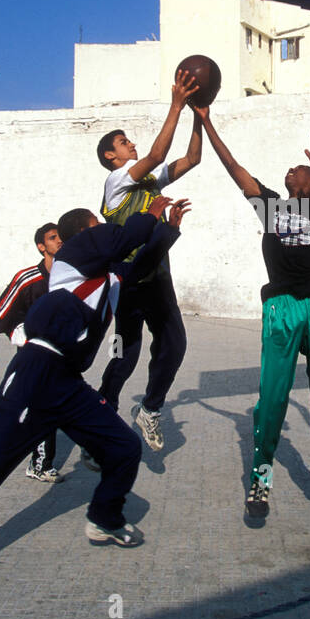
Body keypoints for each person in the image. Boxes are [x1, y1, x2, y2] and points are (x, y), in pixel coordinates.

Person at [0, 196, 190, 589]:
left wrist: (167, 229)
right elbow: (126, 236)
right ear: (85, 233)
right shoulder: (75, 252)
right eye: (97, 223)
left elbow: (139, 263)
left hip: (68, 383)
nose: (105, 226)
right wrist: (149, 215)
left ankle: (105, 518)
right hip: (35, 374)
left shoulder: (107, 270)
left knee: (124, 447)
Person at [195, 105, 310, 517]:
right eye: (288, 170)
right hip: (281, 306)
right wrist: (206, 121)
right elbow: (234, 167)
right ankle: (260, 479)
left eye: (297, 170)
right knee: (272, 396)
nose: (289, 172)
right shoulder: (269, 206)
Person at [95, 70, 204, 452]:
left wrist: (198, 116)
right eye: (124, 143)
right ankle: (102, 416)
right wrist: (176, 102)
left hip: (158, 277)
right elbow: (158, 154)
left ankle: (151, 409)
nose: (132, 145)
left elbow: (192, 158)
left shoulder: (150, 180)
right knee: (124, 356)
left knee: (174, 345)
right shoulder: (117, 181)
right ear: (111, 156)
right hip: (126, 282)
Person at [0, 221, 66, 483]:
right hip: (30, 352)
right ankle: (38, 464)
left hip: (59, 353)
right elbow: (2, 307)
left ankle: (38, 461)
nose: (59, 241)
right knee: (40, 406)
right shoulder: (27, 278)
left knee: (47, 406)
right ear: (42, 247)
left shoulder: (70, 275)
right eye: (52, 238)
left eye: (60, 237)